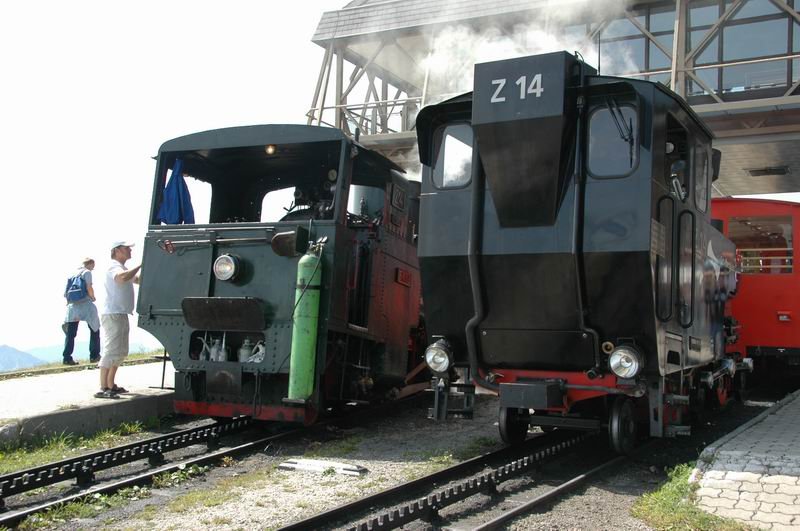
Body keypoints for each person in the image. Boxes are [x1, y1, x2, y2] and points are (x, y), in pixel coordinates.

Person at [97, 241, 141, 399]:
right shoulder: (113, 267)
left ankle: (111, 384)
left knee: (120, 351)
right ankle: (103, 387)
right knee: (111, 349)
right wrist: (141, 265)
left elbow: (137, 279)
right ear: (116, 251)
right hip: (113, 313)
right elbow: (122, 278)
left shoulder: (122, 268)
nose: (130, 250)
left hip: (120, 313)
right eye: (126, 248)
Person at [62, 258, 101, 365]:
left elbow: (66, 292)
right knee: (95, 329)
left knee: (70, 334)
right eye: (93, 266)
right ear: (91, 264)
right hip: (86, 304)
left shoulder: (72, 274)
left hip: (73, 306)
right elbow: (89, 286)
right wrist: (93, 297)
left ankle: (67, 358)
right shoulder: (87, 272)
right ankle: (94, 355)